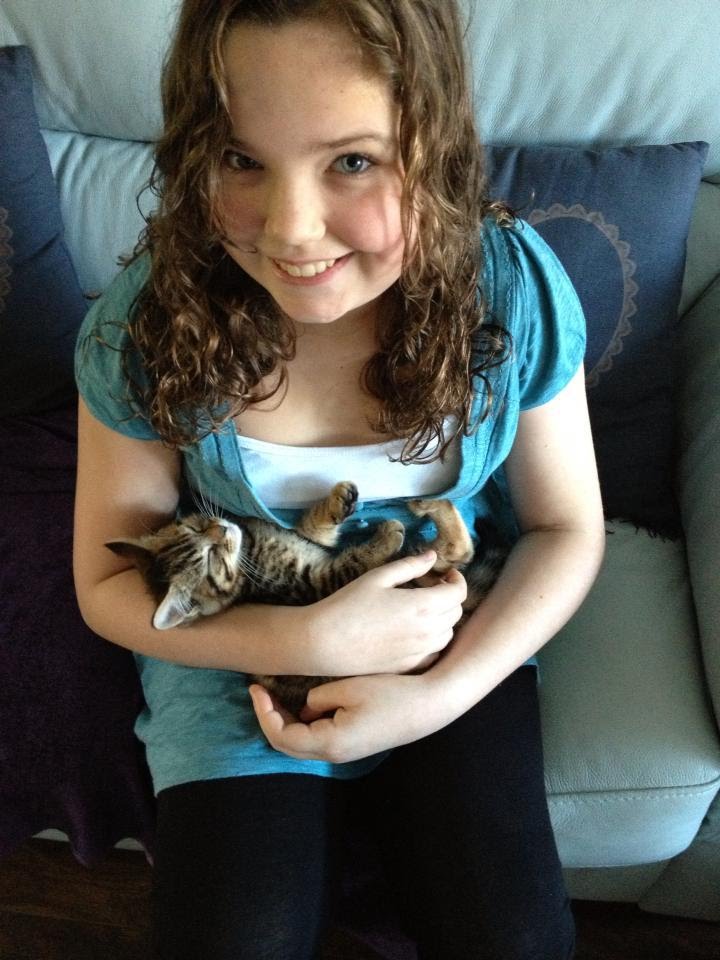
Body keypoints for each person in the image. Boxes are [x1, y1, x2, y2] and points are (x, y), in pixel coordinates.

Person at [73, 1, 605, 957]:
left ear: (431, 148)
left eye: (352, 162)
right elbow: (108, 582)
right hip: (239, 660)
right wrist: (305, 637)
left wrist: (438, 695)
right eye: (241, 159)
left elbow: (567, 527)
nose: (292, 230)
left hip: (449, 643)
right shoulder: (145, 325)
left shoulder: (510, 289)